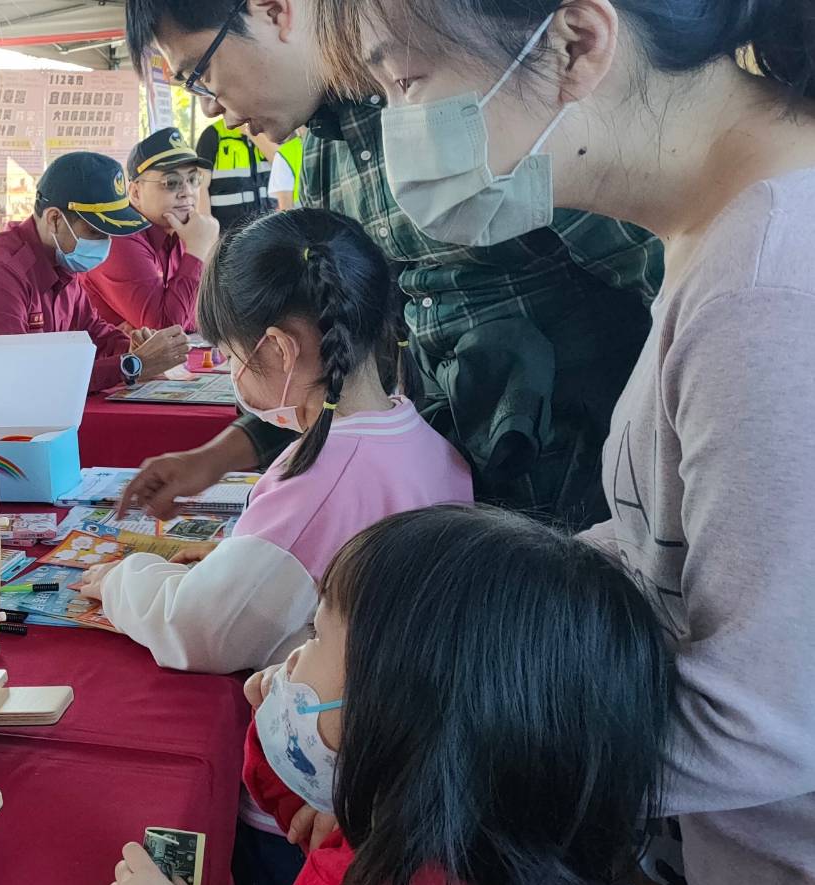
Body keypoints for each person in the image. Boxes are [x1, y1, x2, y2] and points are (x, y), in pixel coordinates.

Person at [332, 1, 815, 885]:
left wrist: (434, 762)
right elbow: (660, 544)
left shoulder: (769, 290)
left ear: (575, 42)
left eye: (405, 82)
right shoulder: (711, 236)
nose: (396, 133)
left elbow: (765, 714)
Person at [77, 209, 470, 885]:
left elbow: (201, 629)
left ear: (282, 351)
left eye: (233, 358)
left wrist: (120, 579)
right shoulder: (416, 437)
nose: (232, 378)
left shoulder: (323, 477)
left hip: (302, 804)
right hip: (384, 783)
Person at [118, 0, 663, 533]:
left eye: (202, 74)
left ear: (274, 11)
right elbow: (333, 356)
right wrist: (214, 458)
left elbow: (655, 266)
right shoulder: (322, 157)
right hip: (462, 481)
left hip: (588, 479)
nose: (213, 108)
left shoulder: (465, 91)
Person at [101, 504, 675, 885]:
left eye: (318, 635)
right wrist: (280, 722)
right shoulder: (501, 848)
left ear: (395, 708)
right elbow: (312, 815)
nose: (296, 657)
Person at [0, 151, 190, 393]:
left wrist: (132, 347)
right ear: (54, 220)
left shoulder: (61, 263)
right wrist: (132, 365)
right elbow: (18, 379)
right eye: (96, 231)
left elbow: (93, 334)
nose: (106, 243)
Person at [79, 128, 218, 331]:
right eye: (171, 182)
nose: (187, 192)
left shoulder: (183, 229)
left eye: (194, 180)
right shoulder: (119, 236)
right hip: (105, 361)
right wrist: (198, 250)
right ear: (135, 193)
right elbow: (166, 327)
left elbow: (212, 314)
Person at [195, 119, 298, 229]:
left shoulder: (272, 133)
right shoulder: (213, 134)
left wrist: (251, 132)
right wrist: (208, 229)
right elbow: (200, 187)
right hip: (227, 232)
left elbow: (282, 162)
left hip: (268, 229)